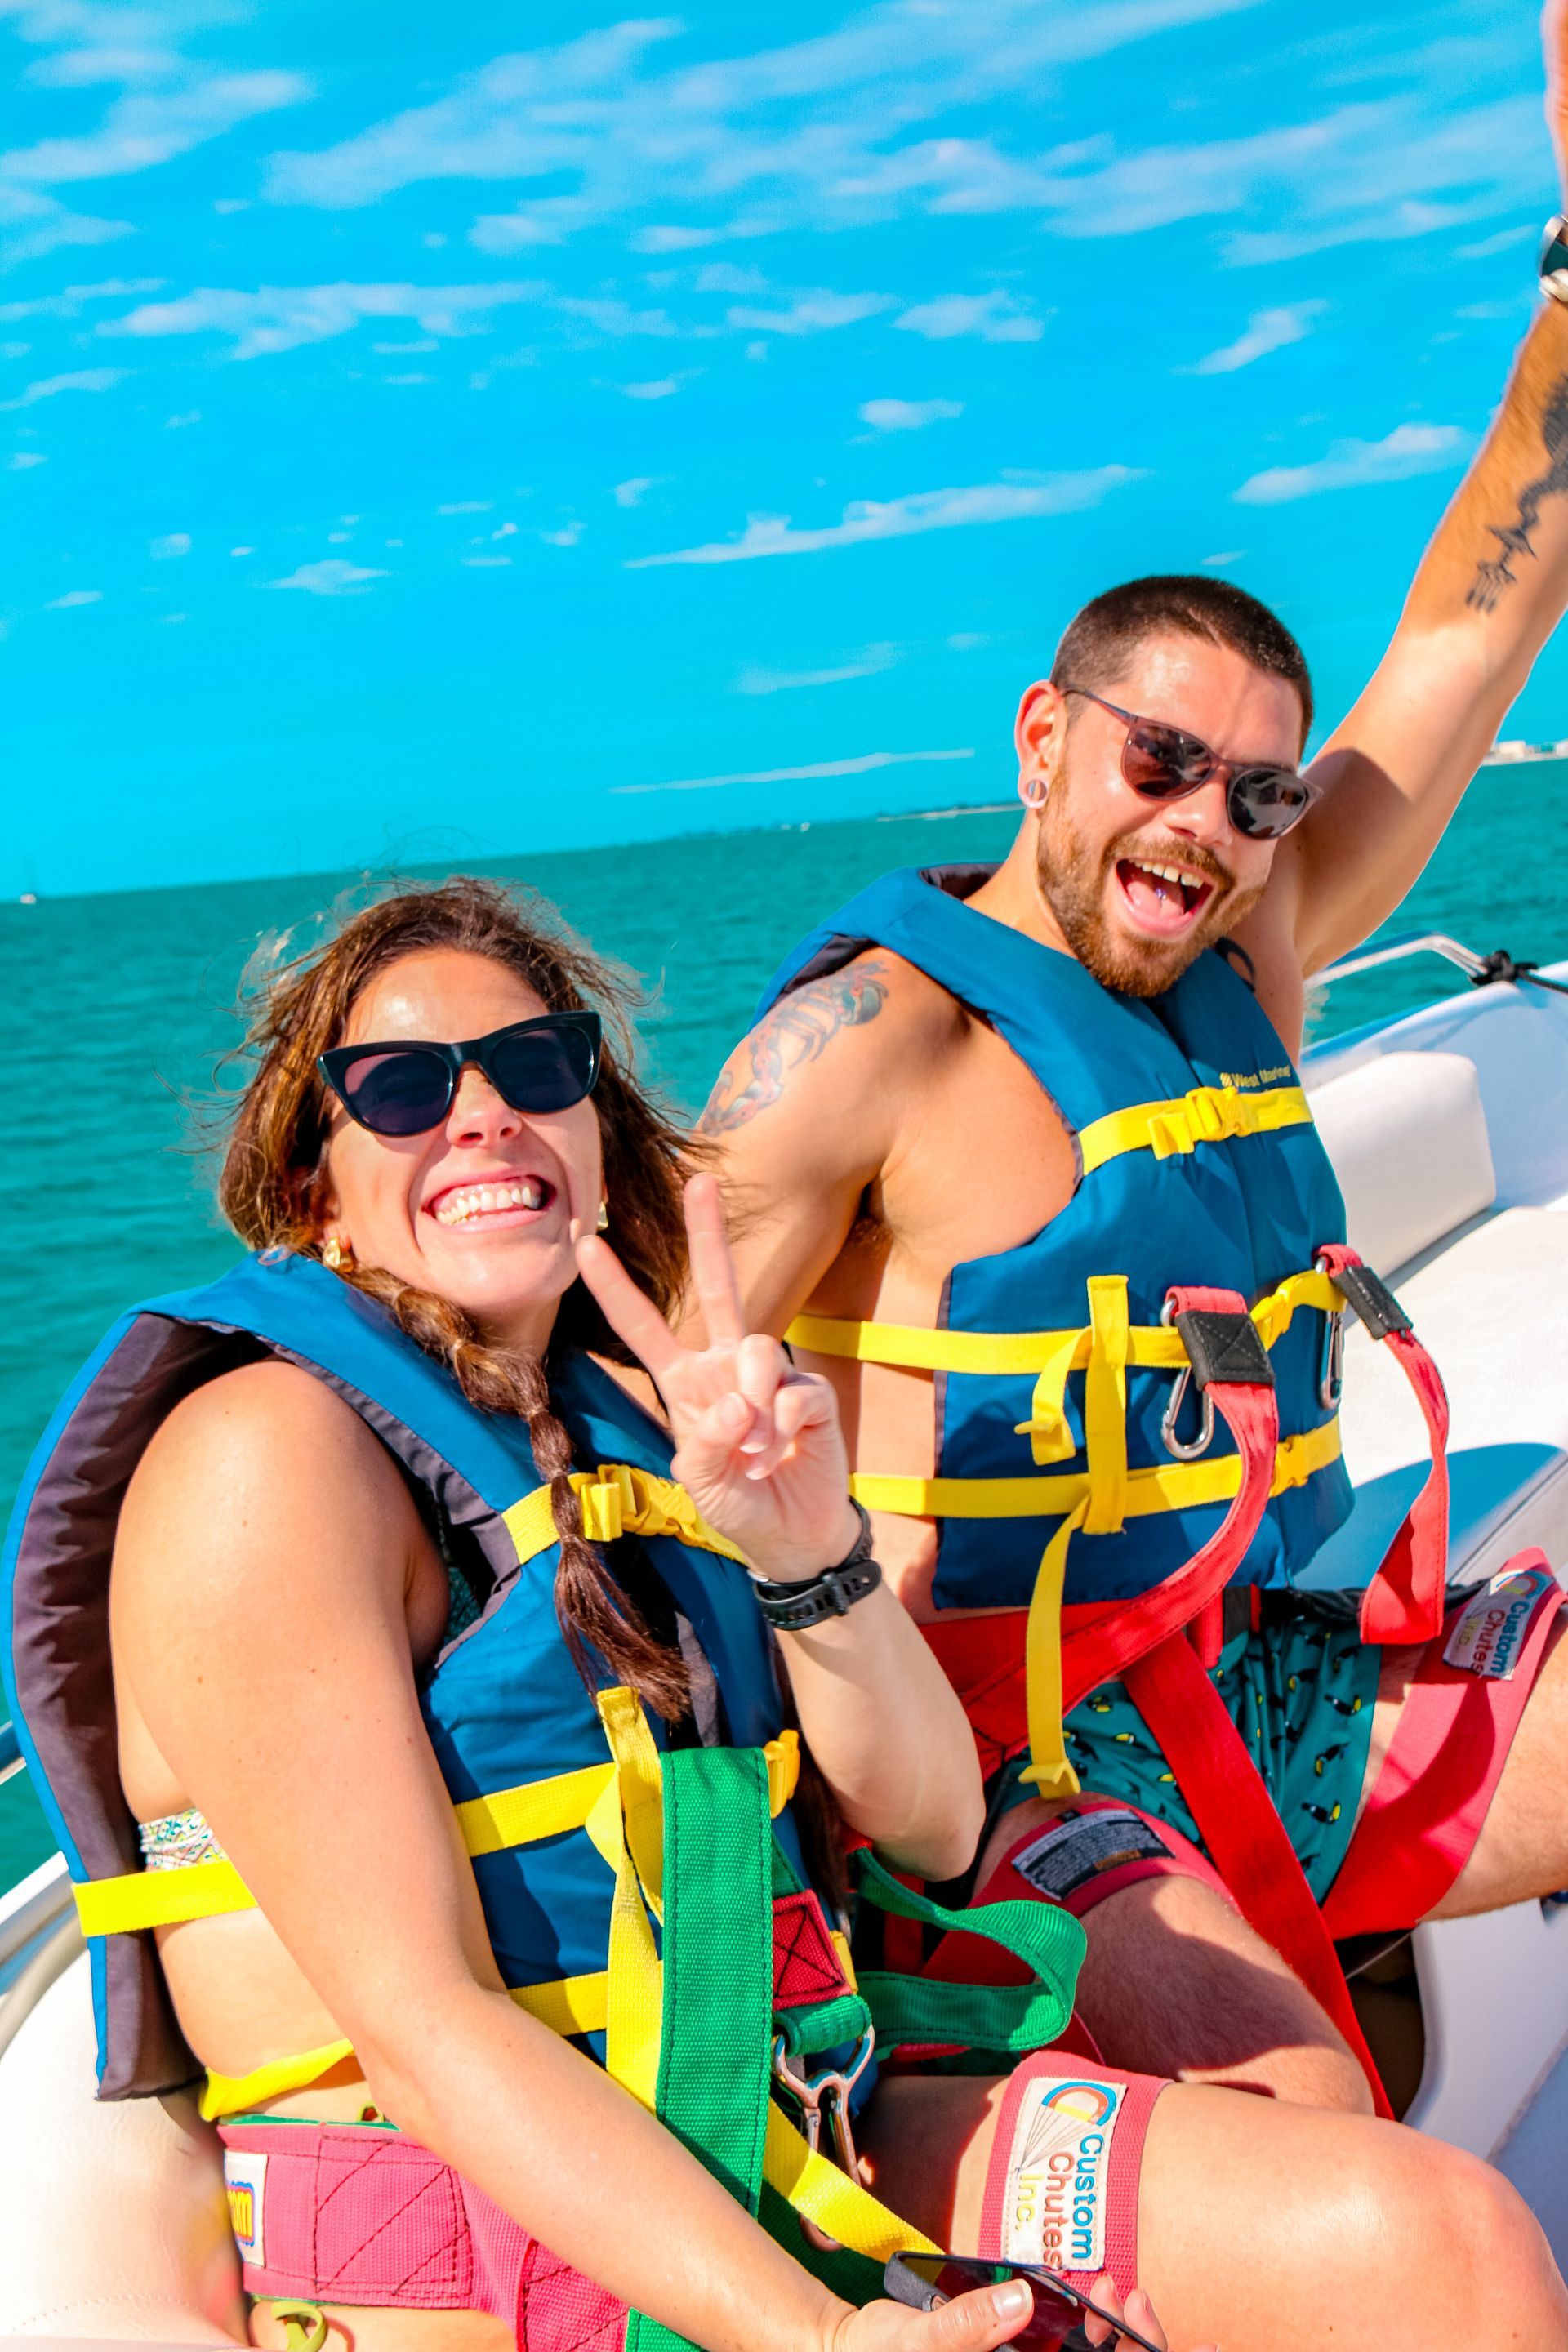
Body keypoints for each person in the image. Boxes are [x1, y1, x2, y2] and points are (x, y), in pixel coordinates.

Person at [5, 878, 1560, 2352]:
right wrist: (821, 2331)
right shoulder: (266, 1464)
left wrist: (809, 1553)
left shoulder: (646, 1431)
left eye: (535, 1066)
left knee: (1425, 2243)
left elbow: (937, 1820)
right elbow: (425, 2026)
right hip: (496, 2241)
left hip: (788, 2127)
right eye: (404, 1090)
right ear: (312, 1193)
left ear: (600, 1141)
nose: (483, 1110)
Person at [697, 7, 1568, 2122]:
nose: (1205, 825)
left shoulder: (1251, 951)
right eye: (1161, 761)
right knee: (1361, 2188)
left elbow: (1464, 635)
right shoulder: (860, 1053)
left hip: (1260, 1643)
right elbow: (597, 1379)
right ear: (1042, 739)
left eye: (1258, 793)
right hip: (1012, 1769)